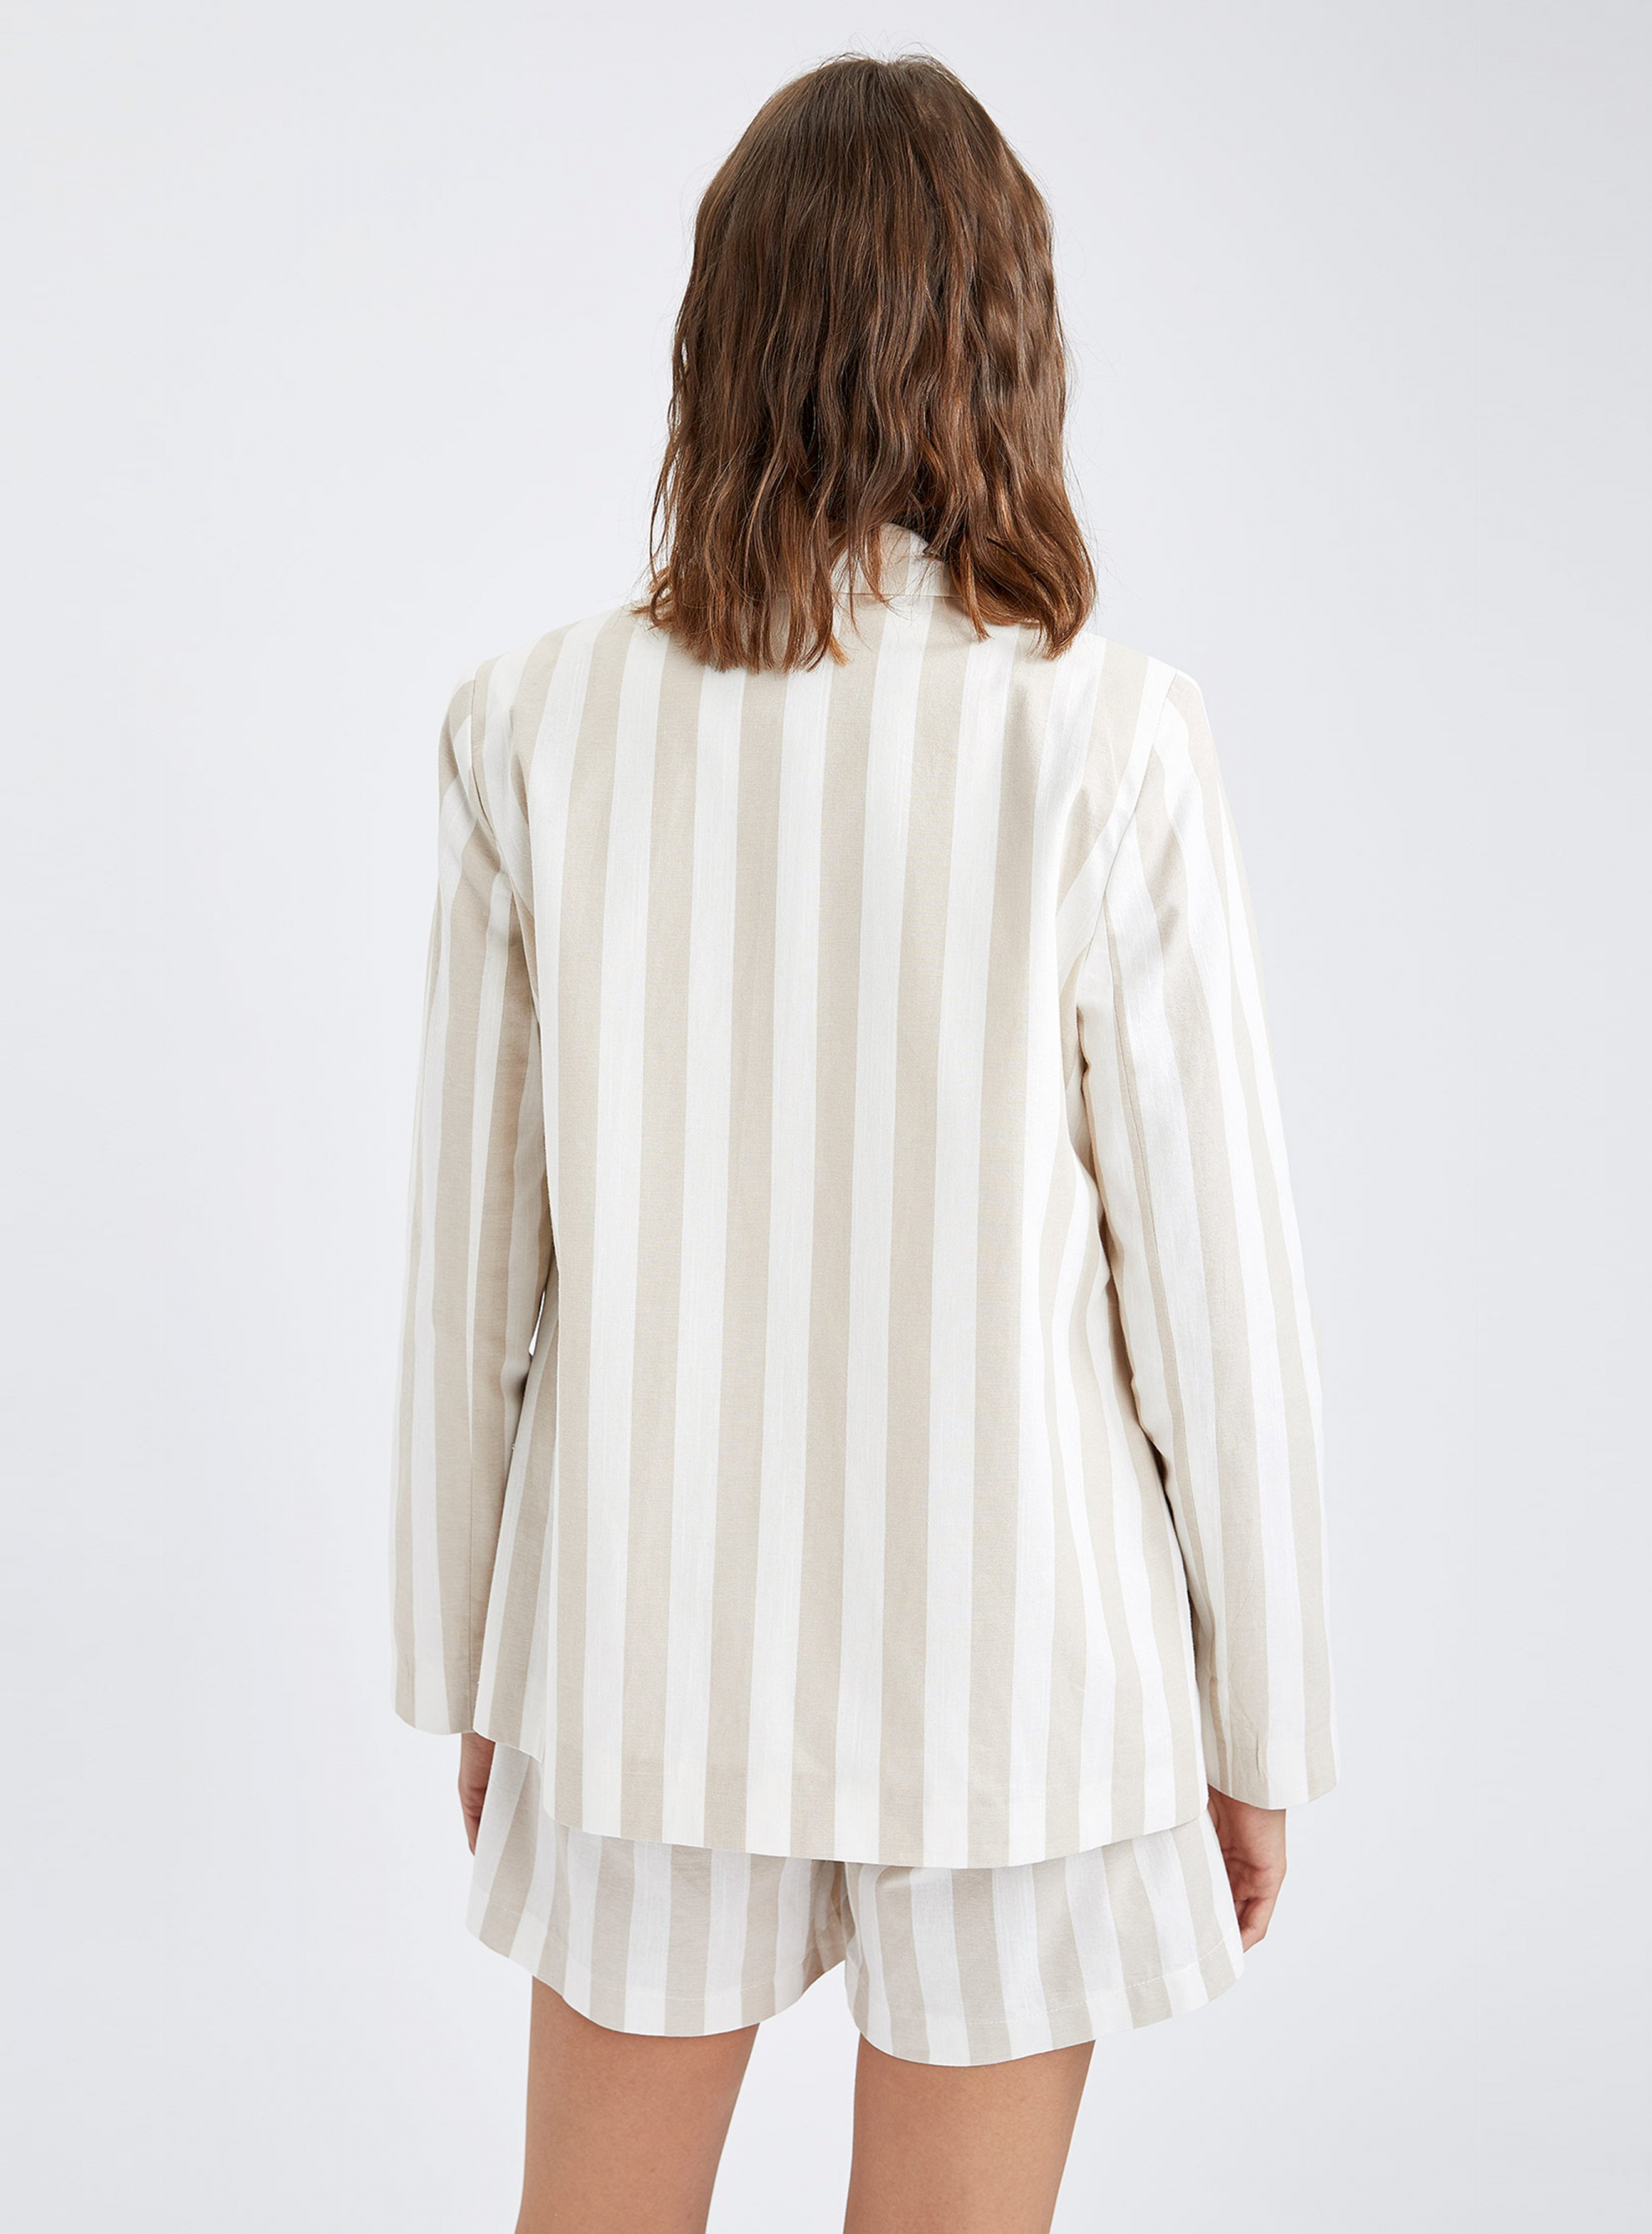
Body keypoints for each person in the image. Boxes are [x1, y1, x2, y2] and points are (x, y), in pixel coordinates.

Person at [389, 50, 1336, 2234]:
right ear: (1002, 345)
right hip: (1024, 1675)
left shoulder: (537, 724)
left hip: (640, 1652)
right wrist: (1261, 1721)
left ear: (720, 341)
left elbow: (470, 1262)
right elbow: (1218, 1290)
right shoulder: (1106, 737)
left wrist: (473, 1659)